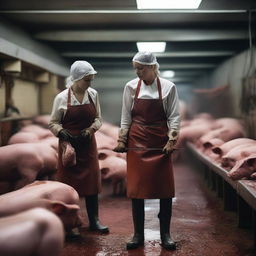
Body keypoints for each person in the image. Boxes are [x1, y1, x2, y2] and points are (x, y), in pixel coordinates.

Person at [113, 52, 180, 250]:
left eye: (141, 68)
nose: (137, 72)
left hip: (160, 141)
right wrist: (122, 139)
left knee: (165, 189)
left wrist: (172, 140)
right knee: (137, 189)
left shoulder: (169, 87)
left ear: (152, 67)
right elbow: (125, 116)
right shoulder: (131, 86)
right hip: (138, 139)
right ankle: (137, 234)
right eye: (135, 68)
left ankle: (165, 234)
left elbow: (174, 116)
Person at [49, 60, 109, 235]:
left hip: (88, 144)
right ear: (76, 79)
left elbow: (98, 118)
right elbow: (53, 123)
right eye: (87, 80)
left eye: (91, 80)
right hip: (69, 147)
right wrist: (62, 133)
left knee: (92, 182)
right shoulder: (61, 98)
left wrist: (91, 130)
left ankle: (94, 220)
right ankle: (70, 224)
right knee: (68, 185)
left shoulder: (93, 95)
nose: (90, 83)